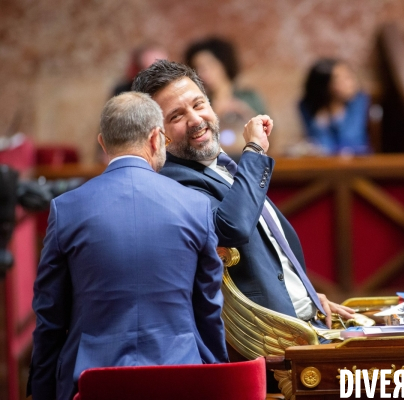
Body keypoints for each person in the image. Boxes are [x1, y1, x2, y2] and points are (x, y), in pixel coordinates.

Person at [29, 92, 228, 400]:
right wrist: (218, 378)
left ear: (103, 143)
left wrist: (42, 391)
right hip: (179, 376)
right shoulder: (195, 206)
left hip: (91, 382)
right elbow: (208, 309)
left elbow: (49, 316)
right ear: (154, 138)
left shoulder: (65, 209)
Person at [132, 60, 354, 330]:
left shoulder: (223, 166)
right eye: (176, 116)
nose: (195, 120)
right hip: (270, 346)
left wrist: (305, 298)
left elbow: (271, 259)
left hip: (303, 322)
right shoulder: (172, 182)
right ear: (158, 133)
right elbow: (232, 227)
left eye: (199, 104)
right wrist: (255, 151)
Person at [184, 37, 267, 159]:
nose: (203, 73)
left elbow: (270, 135)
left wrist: (245, 112)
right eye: (198, 68)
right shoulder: (198, 104)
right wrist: (216, 113)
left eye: (209, 65)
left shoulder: (248, 97)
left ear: (223, 63)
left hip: (248, 158)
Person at [299, 58, 372, 155]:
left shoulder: (359, 101)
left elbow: (352, 141)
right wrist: (321, 121)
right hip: (326, 165)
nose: (351, 83)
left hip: (358, 161)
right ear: (325, 85)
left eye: (349, 77)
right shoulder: (308, 105)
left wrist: (336, 117)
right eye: (341, 79)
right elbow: (322, 145)